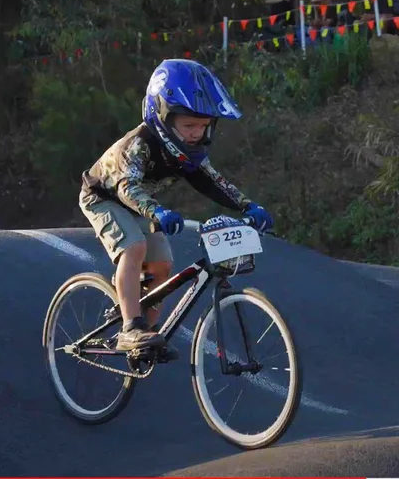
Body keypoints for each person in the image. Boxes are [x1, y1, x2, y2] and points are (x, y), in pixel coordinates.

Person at [78, 59, 274, 359]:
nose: (197, 132)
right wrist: (157, 213)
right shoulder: (139, 144)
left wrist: (249, 205)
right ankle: (131, 328)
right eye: (189, 125)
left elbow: (213, 181)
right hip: (104, 197)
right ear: (163, 117)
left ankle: (147, 338)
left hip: (143, 207)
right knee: (135, 248)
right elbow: (126, 188)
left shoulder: (188, 150)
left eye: (203, 125)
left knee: (162, 267)